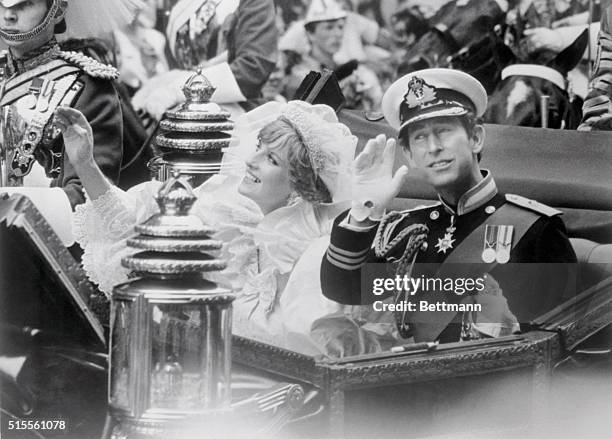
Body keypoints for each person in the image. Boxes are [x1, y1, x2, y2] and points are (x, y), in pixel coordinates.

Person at [55, 99, 356, 349]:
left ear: (300, 186)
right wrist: (85, 164)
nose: (252, 160)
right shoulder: (223, 209)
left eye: (272, 160)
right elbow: (130, 224)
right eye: (259, 146)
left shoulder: (309, 249)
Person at [320, 68, 577, 344]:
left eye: (443, 131)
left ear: (476, 138)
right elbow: (343, 289)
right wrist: (363, 210)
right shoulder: (406, 229)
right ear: (410, 155)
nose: (433, 147)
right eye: (420, 137)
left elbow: (567, 343)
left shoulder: (536, 229)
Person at [0, 0, 134, 208]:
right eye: (2, 3)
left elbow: (86, 196)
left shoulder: (87, 87)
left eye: (25, 4)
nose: (8, 15)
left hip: (46, 232)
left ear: (58, 10)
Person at [131, 0, 278, 120]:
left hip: (237, 118)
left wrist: (177, 90)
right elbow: (175, 66)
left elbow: (252, 70)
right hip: (181, 115)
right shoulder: (178, 7)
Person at [282, 0, 383, 110]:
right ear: (310, 34)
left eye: (340, 27)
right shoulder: (299, 75)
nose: (337, 34)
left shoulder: (351, 70)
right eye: (329, 27)